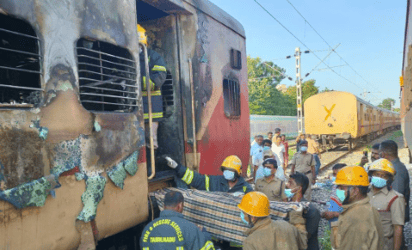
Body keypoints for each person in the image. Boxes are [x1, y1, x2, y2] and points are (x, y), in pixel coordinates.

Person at [140, 191, 215, 250]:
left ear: (164, 206)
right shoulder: (190, 229)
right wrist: (204, 234)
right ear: (180, 205)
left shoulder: (147, 229)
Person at [333, 166, 384, 250]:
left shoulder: (355, 216)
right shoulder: (367, 208)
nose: (338, 191)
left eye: (342, 188)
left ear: (355, 191)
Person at [238, 192, 307, 250]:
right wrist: (296, 216)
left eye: (243, 212)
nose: (241, 215)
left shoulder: (250, 242)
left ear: (253, 217)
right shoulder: (285, 225)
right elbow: (303, 243)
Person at [138, 24, 167, 150]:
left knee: (151, 140)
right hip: (134, 109)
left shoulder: (153, 56)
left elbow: (159, 78)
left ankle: (151, 166)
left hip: (152, 110)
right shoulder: (127, 56)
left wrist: (135, 83)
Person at [368, 159, 405, 250]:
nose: (380, 177)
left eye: (384, 176)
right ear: (371, 175)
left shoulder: (395, 198)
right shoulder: (363, 193)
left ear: (389, 179)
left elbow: (398, 228)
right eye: (377, 174)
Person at [165, 155, 253, 194]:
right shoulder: (214, 181)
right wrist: (178, 168)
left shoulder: (246, 188)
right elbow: (196, 179)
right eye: (225, 170)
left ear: (238, 172)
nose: (227, 172)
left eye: (230, 170)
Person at [286, 172, 321, 250]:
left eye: (290, 183)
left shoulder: (311, 211)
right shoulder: (286, 206)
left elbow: (305, 237)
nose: (287, 185)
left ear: (299, 189)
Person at [379, 140, 410, 223]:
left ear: (382, 154)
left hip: (394, 217)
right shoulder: (396, 167)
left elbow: (396, 197)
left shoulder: (396, 171)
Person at [321, 163, 347, 246]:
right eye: (334, 174)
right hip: (333, 225)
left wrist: (335, 214)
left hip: (344, 226)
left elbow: (353, 212)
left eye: (338, 174)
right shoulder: (335, 186)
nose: (335, 176)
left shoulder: (351, 190)